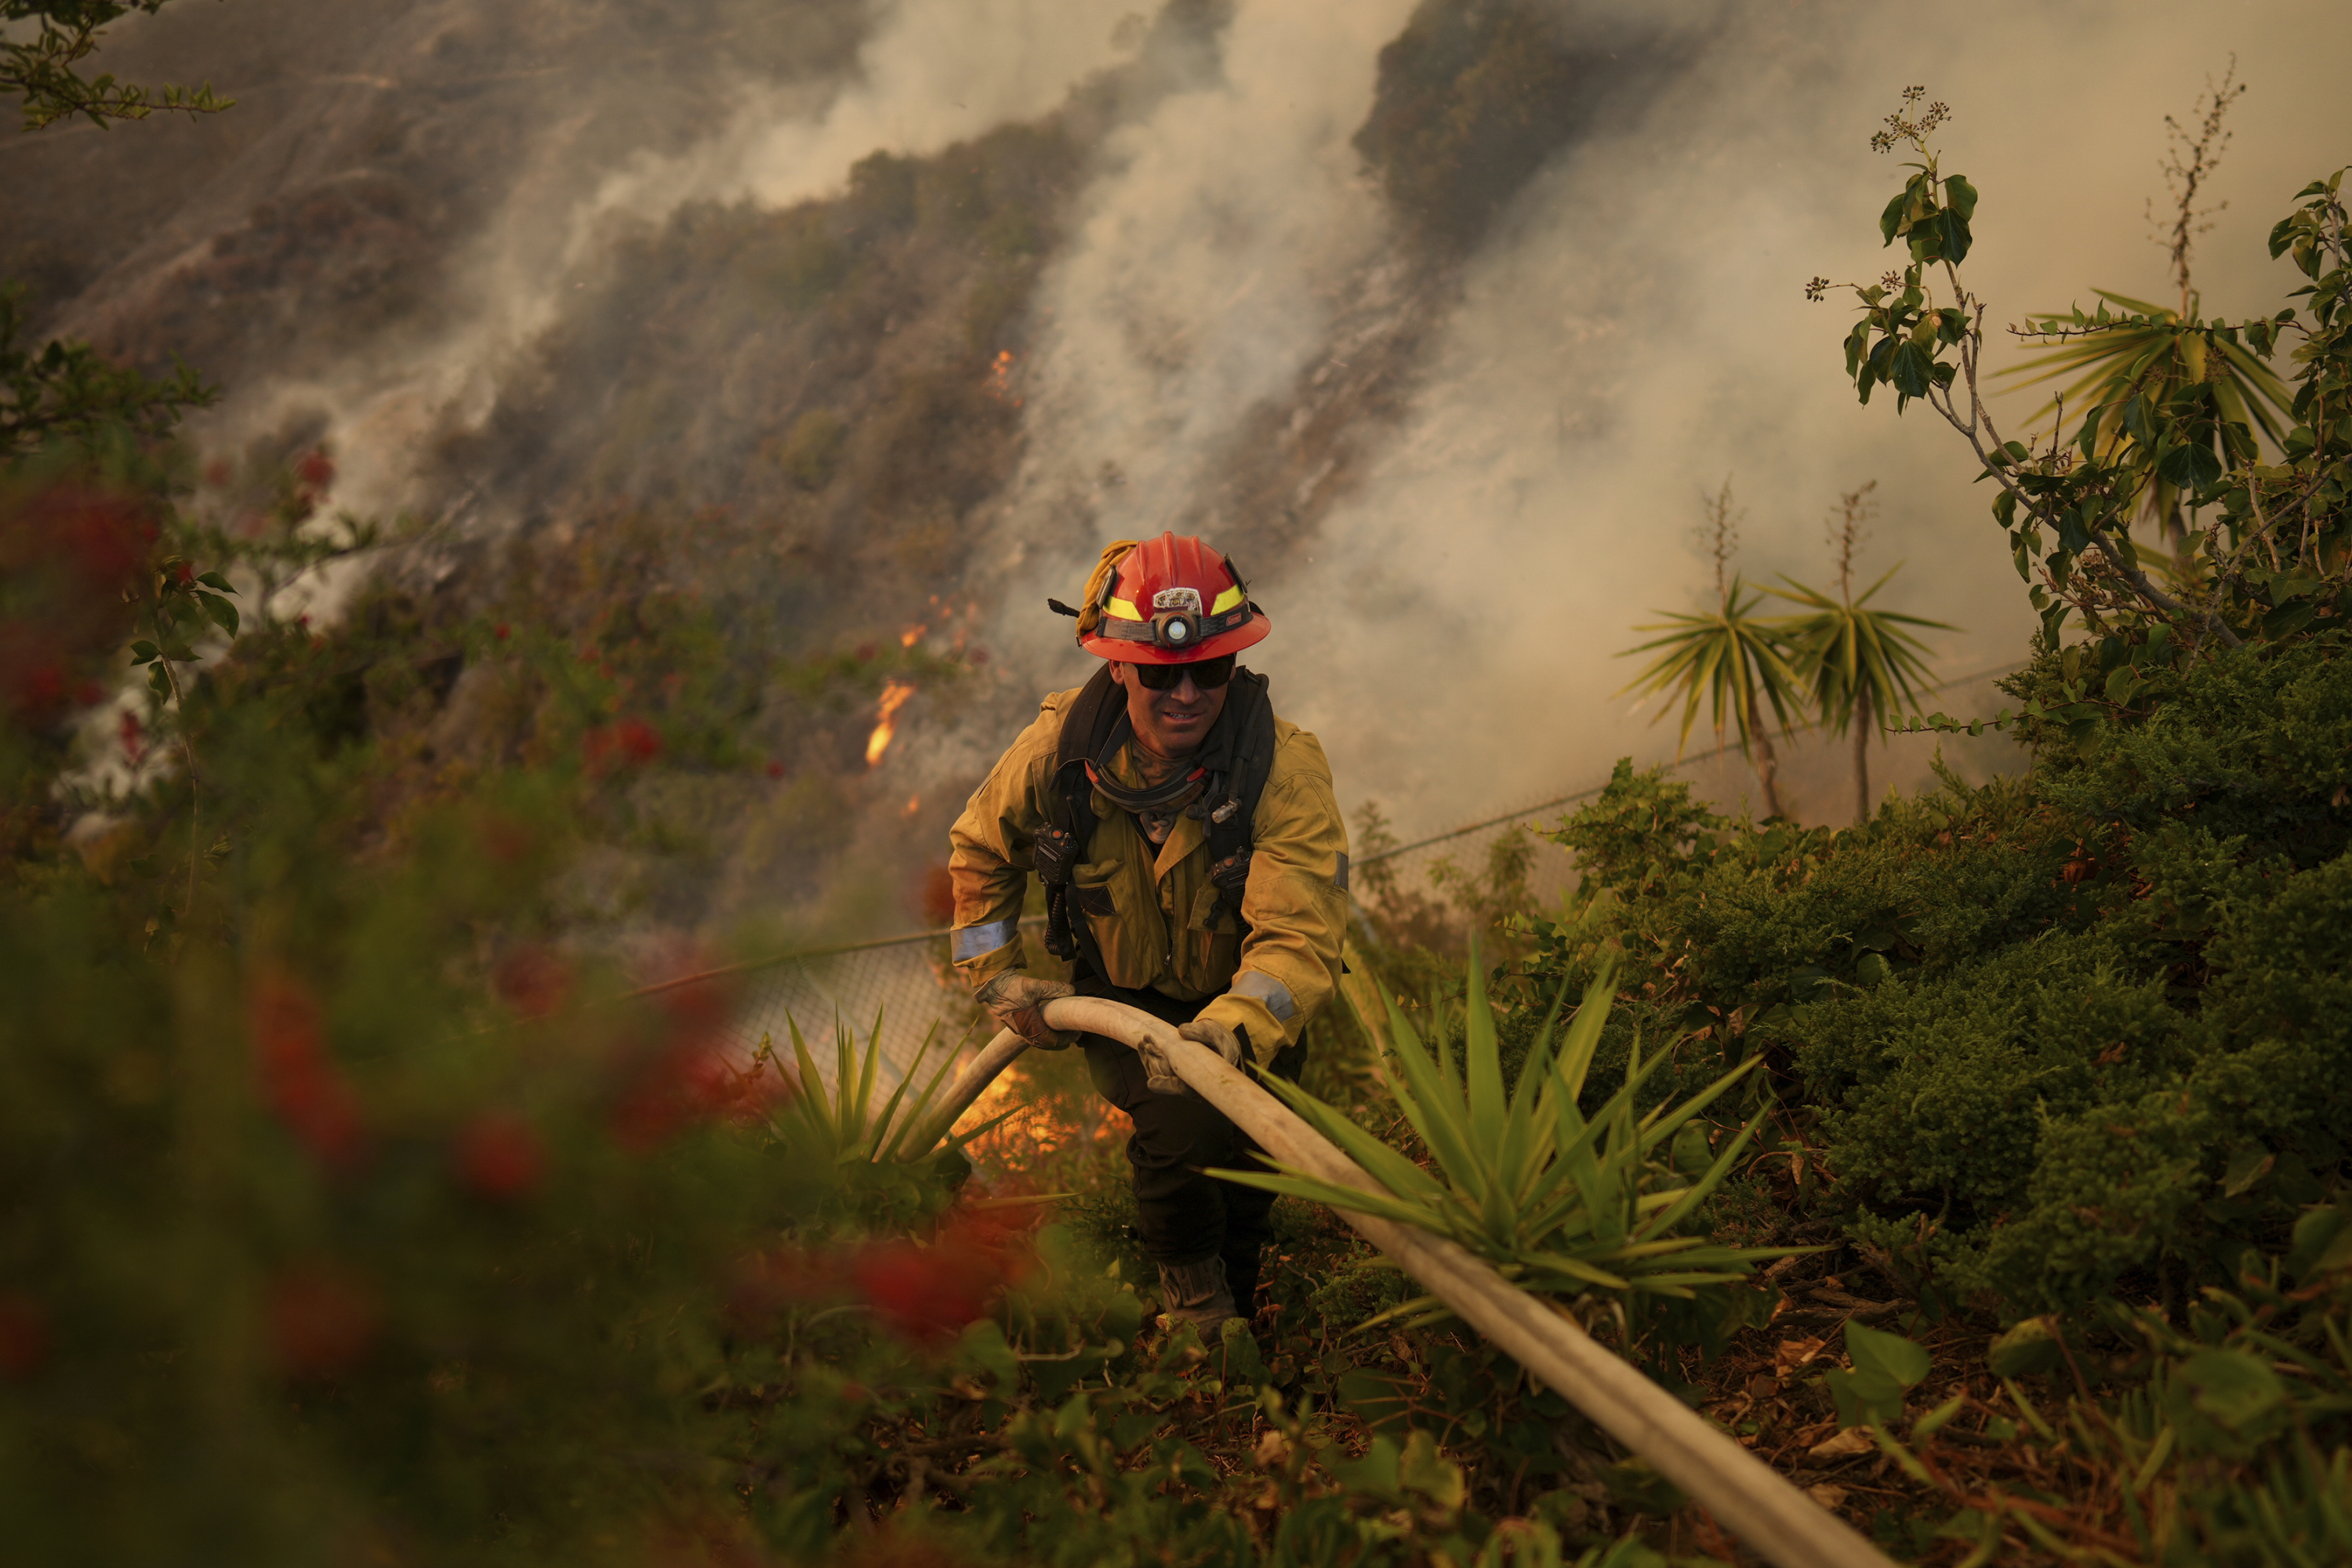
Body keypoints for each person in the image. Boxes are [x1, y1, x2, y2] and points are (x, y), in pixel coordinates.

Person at [946, 533, 1349, 1334]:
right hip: (1120, 1000)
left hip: (1246, 1013)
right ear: (1122, 664)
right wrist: (993, 975)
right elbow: (979, 849)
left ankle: (1242, 1300)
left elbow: (1298, 937)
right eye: (1164, 673)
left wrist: (1233, 1029)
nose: (1188, 693)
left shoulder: (1281, 768)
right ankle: (1198, 1318)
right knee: (1179, 1131)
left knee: (1247, 1165)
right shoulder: (1061, 751)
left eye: (1211, 669)